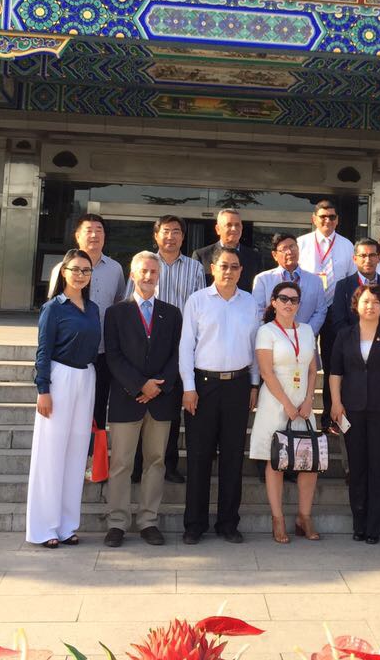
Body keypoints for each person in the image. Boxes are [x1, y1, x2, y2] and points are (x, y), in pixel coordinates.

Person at [179, 245, 260, 544]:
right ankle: (194, 524)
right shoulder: (197, 301)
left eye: (235, 266)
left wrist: (254, 385)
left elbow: (254, 347)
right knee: (199, 457)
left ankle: (228, 523)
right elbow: (186, 346)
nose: (229, 271)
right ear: (212, 268)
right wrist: (188, 387)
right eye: (224, 266)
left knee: (232, 457)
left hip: (238, 386)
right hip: (203, 385)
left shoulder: (250, 303)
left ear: (242, 270)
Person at [102, 251, 181, 547]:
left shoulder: (172, 313)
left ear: (159, 276)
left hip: (161, 400)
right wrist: (139, 385)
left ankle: (149, 520)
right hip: (127, 398)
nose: (148, 277)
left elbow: (177, 354)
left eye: (153, 272)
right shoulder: (116, 313)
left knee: (156, 461)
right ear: (133, 274)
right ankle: (117, 522)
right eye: (143, 271)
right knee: (121, 463)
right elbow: (113, 355)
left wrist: (158, 386)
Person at [26, 249, 99, 548]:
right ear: (64, 272)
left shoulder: (92, 308)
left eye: (86, 270)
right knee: (51, 455)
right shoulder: (53, 308)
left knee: (76, 454)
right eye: (75, 269)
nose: (80, 274)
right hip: (60, 378)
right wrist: (43, 388)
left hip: (86, 377)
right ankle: (44, 528)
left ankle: (67, 525)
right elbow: (43, 350)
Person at [124, 214, 203, 485]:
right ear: (156, 235)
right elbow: (128, 304)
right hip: (143, 346)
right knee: (137, 407)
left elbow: (201, 306)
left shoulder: (195, 268)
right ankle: (136, 464)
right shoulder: (144, 264)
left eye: (177, 231)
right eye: (166, 231)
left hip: (179, 346)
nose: (171, 236)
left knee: (168, 407)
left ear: (184, 236)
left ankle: (168, 464)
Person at [328, 284, 380, 544]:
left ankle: (374, 527)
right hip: (352, 408)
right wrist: (336, 403)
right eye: (365, 301)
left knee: (378, 468)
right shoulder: (344, 335)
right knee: (357, 468)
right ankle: (359, 523)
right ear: (356, 305)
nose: (370, 306)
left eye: (376, 302)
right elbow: (335, 372)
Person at [249, 280, 321, 543]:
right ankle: (277, 519)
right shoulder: (266, 331)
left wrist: (308, 400)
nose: (289, 303)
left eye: (294, 300)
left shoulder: (307, 330)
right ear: (274, 302)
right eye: (283, 298)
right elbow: (266, 372)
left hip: (302, 404)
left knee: (308, 463)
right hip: (276, 403)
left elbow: (312, 369)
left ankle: (304, 517)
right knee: (275, 462)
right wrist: (287, 405)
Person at [47, 215, 126, 453]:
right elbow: (52, 310)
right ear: (77, 236)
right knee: (67, 410)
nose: (94, 235)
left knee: (98, 408)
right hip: (68, 355)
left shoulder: (115, 269)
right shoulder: (61, 269)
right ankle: (65, 455)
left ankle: (94, 461)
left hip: (103, 352)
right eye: (88, 230)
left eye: (99, 230)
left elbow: (119, 304)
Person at [321, 239, 380, 423]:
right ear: (355, 259)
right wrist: (354, 340)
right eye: (363, 255)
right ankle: (332, 420)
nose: (367, 259)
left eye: (372, 255)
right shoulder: (343, 286)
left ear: (379, 258)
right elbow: (337, 320)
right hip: (351, 351)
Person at [253, 233, 330, 333]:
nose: (289, 252)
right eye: (284, 249)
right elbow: (258, 312)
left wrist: (305, 333)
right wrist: (273, 334)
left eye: (292, 247)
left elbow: (320, 311)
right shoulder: (263, 279)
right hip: (273, 341)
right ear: (274, 255)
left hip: (305, 342)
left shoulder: (315, 281)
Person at [297, 199, 356, 300]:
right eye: (323, 217)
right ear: (314, 219)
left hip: (337, 304)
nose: (328, 220)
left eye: (332, 217)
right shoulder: (300, 243)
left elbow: (352, 277)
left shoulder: (347, 245)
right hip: (306, 302)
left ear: (337, 220)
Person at [194, 208, 261, 290]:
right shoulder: (202, 256)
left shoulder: (254, 257)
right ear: (218, 229)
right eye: (229, 225)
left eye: (237, 225)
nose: (234, 229)